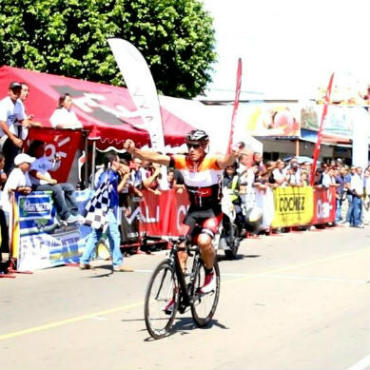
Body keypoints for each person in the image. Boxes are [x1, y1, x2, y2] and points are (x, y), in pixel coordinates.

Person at [124, 129, 239, 301]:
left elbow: (225, 161)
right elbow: (157, 157)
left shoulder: (212, 160)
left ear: (205, 145)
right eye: (189, 145)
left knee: (203, 241)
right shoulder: (182, 161)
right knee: (179, 247)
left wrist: (233, 156)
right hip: (193, 212)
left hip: (212, 212)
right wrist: (135, 152)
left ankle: (209, 274)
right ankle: (179, 292)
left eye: (196, 146)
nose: (191, 149)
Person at [80, 153, 134, 272]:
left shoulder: (108, 174)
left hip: (102, 208)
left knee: (96, 234)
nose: (120, 163)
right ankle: (117, 263)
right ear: (114, 162)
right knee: (114, 235)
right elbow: (115, 191)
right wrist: (125, 179)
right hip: (106, 210)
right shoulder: (110, 175)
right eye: (118, 161)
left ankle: (84, 261)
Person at [27, 140, 80, 224]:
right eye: (41, 149)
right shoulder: (30, 160)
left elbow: (53, 167)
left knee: (69, 187)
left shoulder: (43, 159)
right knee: (56, 188)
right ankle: (65, 216)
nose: (43, 151)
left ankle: (74, 213)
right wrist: (49, 180)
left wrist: (57, 161)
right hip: (36, 186)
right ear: (34, 149)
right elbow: (34, 173)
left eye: (44, 149)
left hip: (47, 184)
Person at [0, 82, 26, 175]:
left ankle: (5, 184)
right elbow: (2, 123)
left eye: (18, 91)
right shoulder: (4, 103)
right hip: (3, 134)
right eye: (14, 91)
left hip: (3, 135)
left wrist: (31, 123)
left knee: (7, 160)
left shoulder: (18, 103)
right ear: (9, 91)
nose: (16, 93)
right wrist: (13, 138)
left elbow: (21, 120)